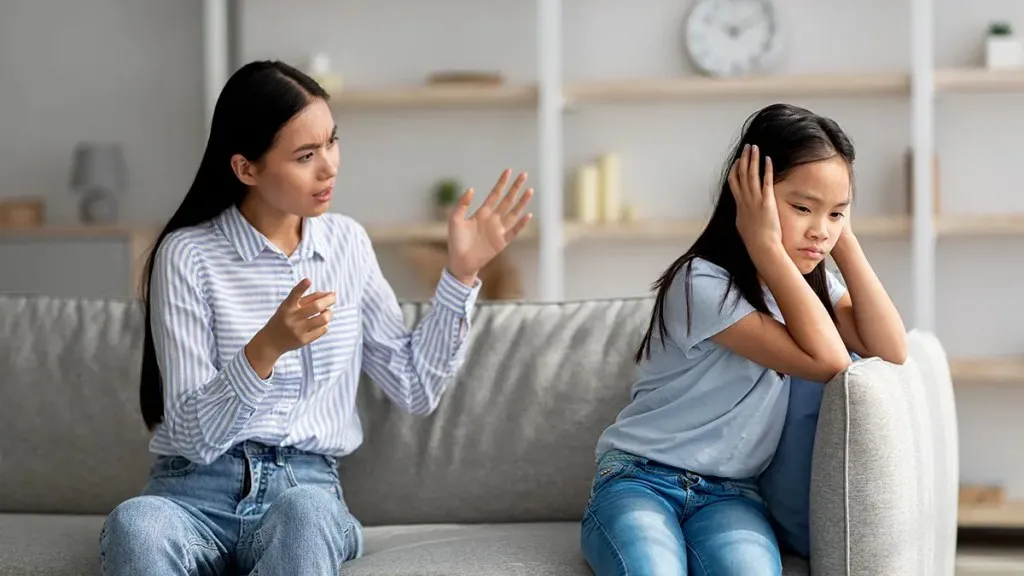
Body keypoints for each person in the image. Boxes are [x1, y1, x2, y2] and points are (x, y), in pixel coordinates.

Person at [98, 60, 533, 575]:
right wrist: (266, 348)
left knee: (304, 514)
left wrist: (461, 275)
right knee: (137, 524)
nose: (329, 167)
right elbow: (193, 438)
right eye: (306, 155)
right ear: (246, 169)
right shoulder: (187, 255)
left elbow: (416, 387)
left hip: (305, 489)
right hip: (193, 492)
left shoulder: (347, 244)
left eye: (332, 142)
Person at [580, 103, 907, 576]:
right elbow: (829, 361)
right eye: (801, 207)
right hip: (640, 479)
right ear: (747, 191)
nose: (819, 230)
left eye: (835, 212)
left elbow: (891, 348)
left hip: (732, 495)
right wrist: (766, 246)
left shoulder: (810, 284)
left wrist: (843, 235)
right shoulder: (702, 283)